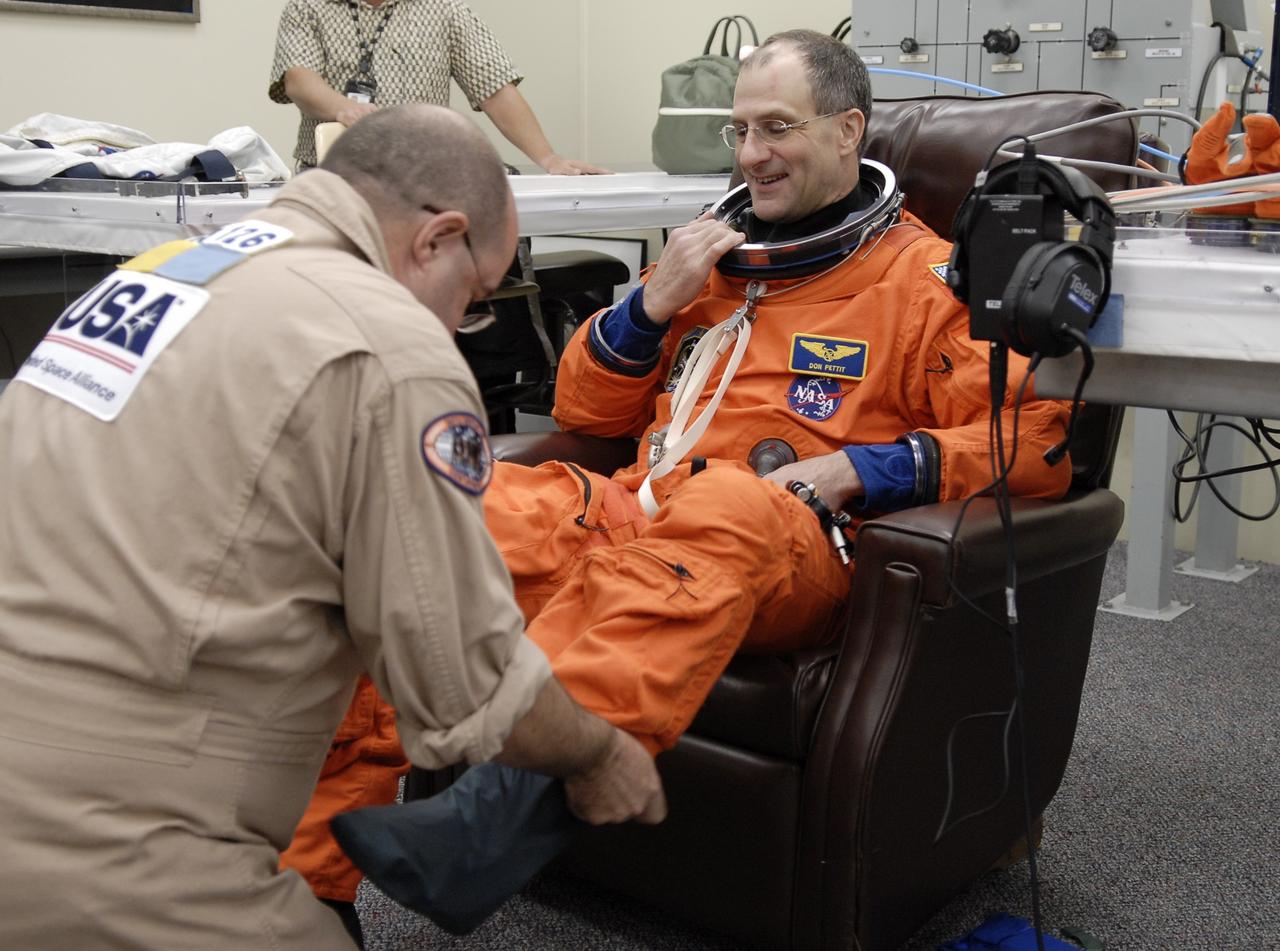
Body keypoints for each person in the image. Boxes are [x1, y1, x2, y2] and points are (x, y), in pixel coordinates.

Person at [296, 28, 1075, 918]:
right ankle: (314, 892)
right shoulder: (710, 259)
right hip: (637, 509)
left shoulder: (928, 279)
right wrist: (652, 301)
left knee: (730, 502)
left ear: (850, 128)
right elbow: (586, 413)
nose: (751, 154)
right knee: (435, 525)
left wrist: (861, 470)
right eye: (740, 131)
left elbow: (1034, 440)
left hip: (794, 541)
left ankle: (501, 810)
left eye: (776, 128)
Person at [0, 103, 663, 951]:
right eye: (475, 298)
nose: (462, 324)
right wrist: (598, 755)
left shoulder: (156, 275)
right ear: (437, 239)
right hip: (112, 838)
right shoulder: (387, 345)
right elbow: (465, 681)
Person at [269, 0, 605, 174]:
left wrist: (548, 158)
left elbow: (495, 87)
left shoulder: (444, 8)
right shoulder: (306, 7)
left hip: (425, 175)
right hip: (333, 173)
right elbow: (298, 78)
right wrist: (345, 109)